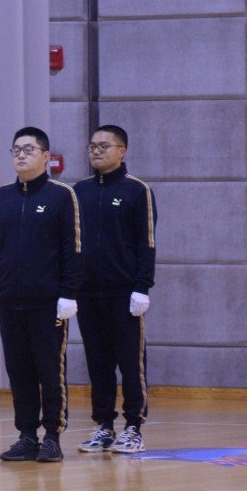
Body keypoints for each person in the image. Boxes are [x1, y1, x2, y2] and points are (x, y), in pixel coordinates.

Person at [0, 126, 82, 463]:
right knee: (19, 370)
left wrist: (68, 293)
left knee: (49, 370)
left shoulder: (61, 196)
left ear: (45, 156)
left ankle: (52, 436)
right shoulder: (2, 197)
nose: (20, 155)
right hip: (10, 299)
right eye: (16, 150)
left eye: (28, 149)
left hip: (48, 302)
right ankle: (26, 435)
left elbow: (72, 248)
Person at [74, 125, 157, 455]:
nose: (96, 151)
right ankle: (103, 425)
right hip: (87, 292)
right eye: (92, 146)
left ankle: (133, 426)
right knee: (98, 362)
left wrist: (142, 287)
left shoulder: (137, 190)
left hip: (124, 294)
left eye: (103, 146)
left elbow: (146, 243)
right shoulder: (79, 191)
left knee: (130, 362)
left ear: (121, 151)